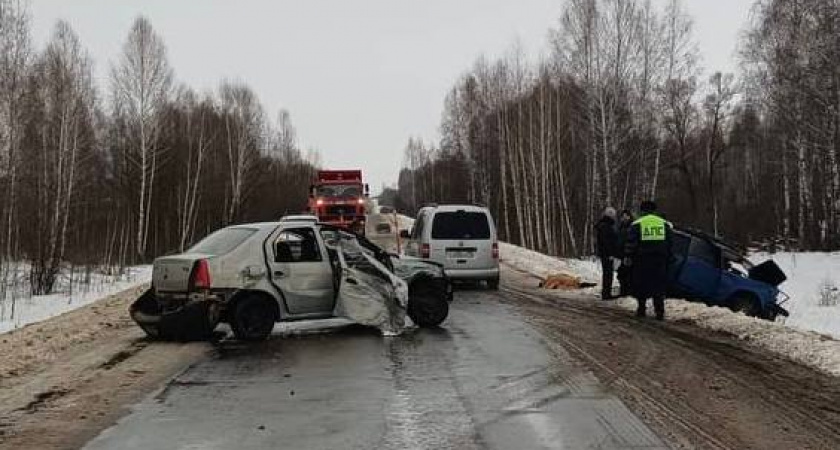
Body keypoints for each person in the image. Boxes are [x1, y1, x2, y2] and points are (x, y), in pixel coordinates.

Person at [624, 201, 672, 320]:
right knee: (658, 285)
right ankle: (659, 311)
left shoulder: (638, 223)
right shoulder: (664, 224)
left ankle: (641, 309)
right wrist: (668, 256)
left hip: (642, 259)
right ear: (654, 210)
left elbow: (631, 243)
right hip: (659, 260)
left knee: (641, 284)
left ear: (642, 210)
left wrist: (628, 256)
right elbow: (670, 242)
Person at [594, 207, 619, 300]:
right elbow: (606, 242)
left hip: (604, 253)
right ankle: (606, 293)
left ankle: (606, 292)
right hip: (607, 254)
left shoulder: (604, 225)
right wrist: (610, 253)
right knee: (608, 273)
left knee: (607, 273)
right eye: (614, 215)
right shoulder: (606, 226)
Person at [616, 209, 634, 297]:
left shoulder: (631, 226)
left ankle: (626, 291)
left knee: (626, 273)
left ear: (629, 216)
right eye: (623, 216)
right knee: (621, 273)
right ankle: (624, 290)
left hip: (628, 253)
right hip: (621, 253)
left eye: (626, 216)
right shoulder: (621, 226)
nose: (624, 218)